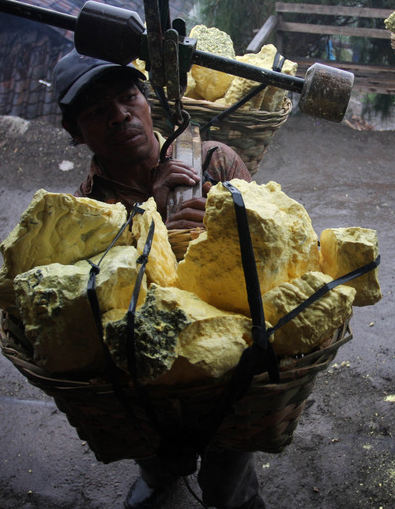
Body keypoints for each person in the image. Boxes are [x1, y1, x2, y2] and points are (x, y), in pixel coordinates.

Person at [53, 49, 265, 509]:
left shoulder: (214, 161)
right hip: (145, 365)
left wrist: (227, 221)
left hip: (229, 355)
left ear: (148, 102)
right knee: (149, 436)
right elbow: (100, 307)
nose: (119, 116)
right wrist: (155, 229)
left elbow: (272, 255)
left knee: (228, 469)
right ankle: (160, 474)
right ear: (75, 132)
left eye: (129, 98)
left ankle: (232, 495)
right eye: (96, 112)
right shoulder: (85, 212)